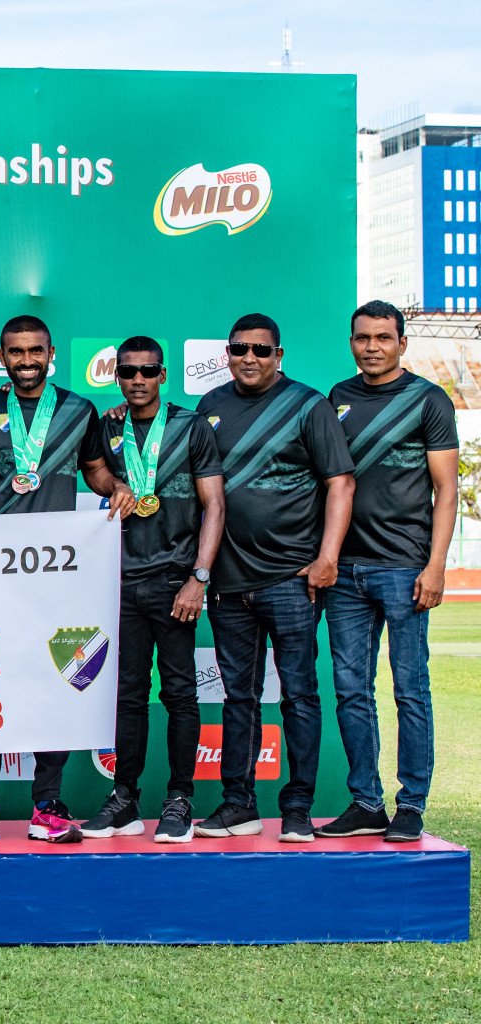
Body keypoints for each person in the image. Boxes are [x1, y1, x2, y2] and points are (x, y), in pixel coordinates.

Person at [0, 314, 133, 844]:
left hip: (60, 573)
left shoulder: (80, 409)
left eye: (35, 352)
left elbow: (95, 470)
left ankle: (47, 805)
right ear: (1, 355)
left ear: (51, 353)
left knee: (58, 683)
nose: (26, 361)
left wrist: (116, 486)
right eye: (15, 352)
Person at [193, 313, 354, 843]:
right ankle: (238, 805)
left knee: (299, 696)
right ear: (228, 353)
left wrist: (327, 556)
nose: (250, 358)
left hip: (292, 579)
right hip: (228, 582)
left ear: (278, 355)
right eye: (240, 349)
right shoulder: (209, 406)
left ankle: (299, 808)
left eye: (262, 350)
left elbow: (340, 483)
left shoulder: (308, 406)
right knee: (238, 698)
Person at [318, 301, 457, 843]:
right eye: (361, 337)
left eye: (382, 337)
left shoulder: (429, 399)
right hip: (345, 571)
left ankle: (412, 805)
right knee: (352, 690)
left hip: (404, 569)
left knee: (409, 690)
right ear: (351, 342)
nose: (371, 346)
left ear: (402, 342)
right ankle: (366, 802)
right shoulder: (337, 398)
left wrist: (436, 566)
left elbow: (446, 492)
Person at [78, 338, 224, 844]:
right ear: (117, 376)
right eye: (128, 372)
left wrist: (198, 579)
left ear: (164, 375)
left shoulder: (190, 427)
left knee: (182, 694)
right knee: (128, 696)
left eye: (148, 371)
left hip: (175, 584)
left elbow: (214, 506)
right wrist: (112, 487)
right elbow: (94, 472)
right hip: (121, 582)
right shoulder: (107, 424)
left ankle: (180, 799)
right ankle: (124, 800)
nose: (138, 380)